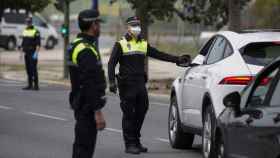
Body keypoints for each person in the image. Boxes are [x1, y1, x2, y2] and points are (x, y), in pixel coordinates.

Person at [108, 16, 191, 154]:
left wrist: (177, 59)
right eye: (134, 25)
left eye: (138, 25)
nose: (137, 28)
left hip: (140, 83)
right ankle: (130, 144)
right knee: (129, 114)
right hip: (127, 84)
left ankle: (136, 140)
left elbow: (158, 54)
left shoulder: (142, 43)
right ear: (128, 28)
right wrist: (111, 82)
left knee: (142, 109)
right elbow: (111, 63)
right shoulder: (121, 44)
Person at [68, 9, 107, 158]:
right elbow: (88, 83)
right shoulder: (85, 50)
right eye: (98, 24)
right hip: (87, 107)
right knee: (84, 150)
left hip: (82, 104)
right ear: (93, 25)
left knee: (81, 148)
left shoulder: (77, 44)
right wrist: (97, 111)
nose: (100, 28)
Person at [21, 17, 40, 90]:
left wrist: (36, 53)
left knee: (33, 69)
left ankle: (36, 85)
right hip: (26, 52)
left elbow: (38, 44)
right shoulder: (25, 31)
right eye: (26, 22)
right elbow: (23, 42)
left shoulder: (36, 31)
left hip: (33, 52)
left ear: (31, 22)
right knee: (28, 69)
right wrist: (21, 53)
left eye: (29, 22)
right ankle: (30, 84)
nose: (27, 23)